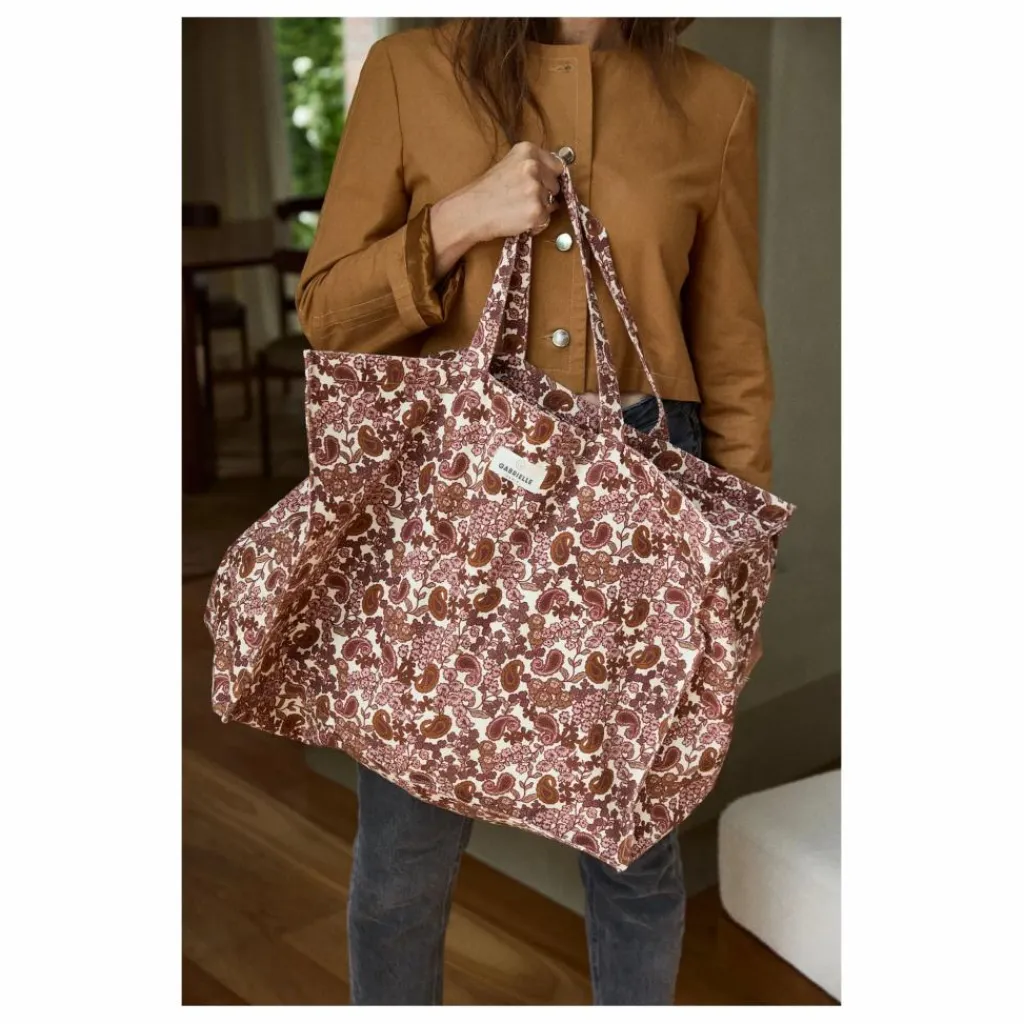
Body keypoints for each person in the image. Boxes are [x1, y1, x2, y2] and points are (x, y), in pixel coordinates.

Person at [296, 17, 772, 1006]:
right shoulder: (409, 69)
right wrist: (458, 219)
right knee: (403, 854)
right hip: (455, 505)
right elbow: (327, 312)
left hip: (644, 497)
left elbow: (728, 351)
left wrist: (738, 565)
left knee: (634, 849)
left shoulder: (714, 102)